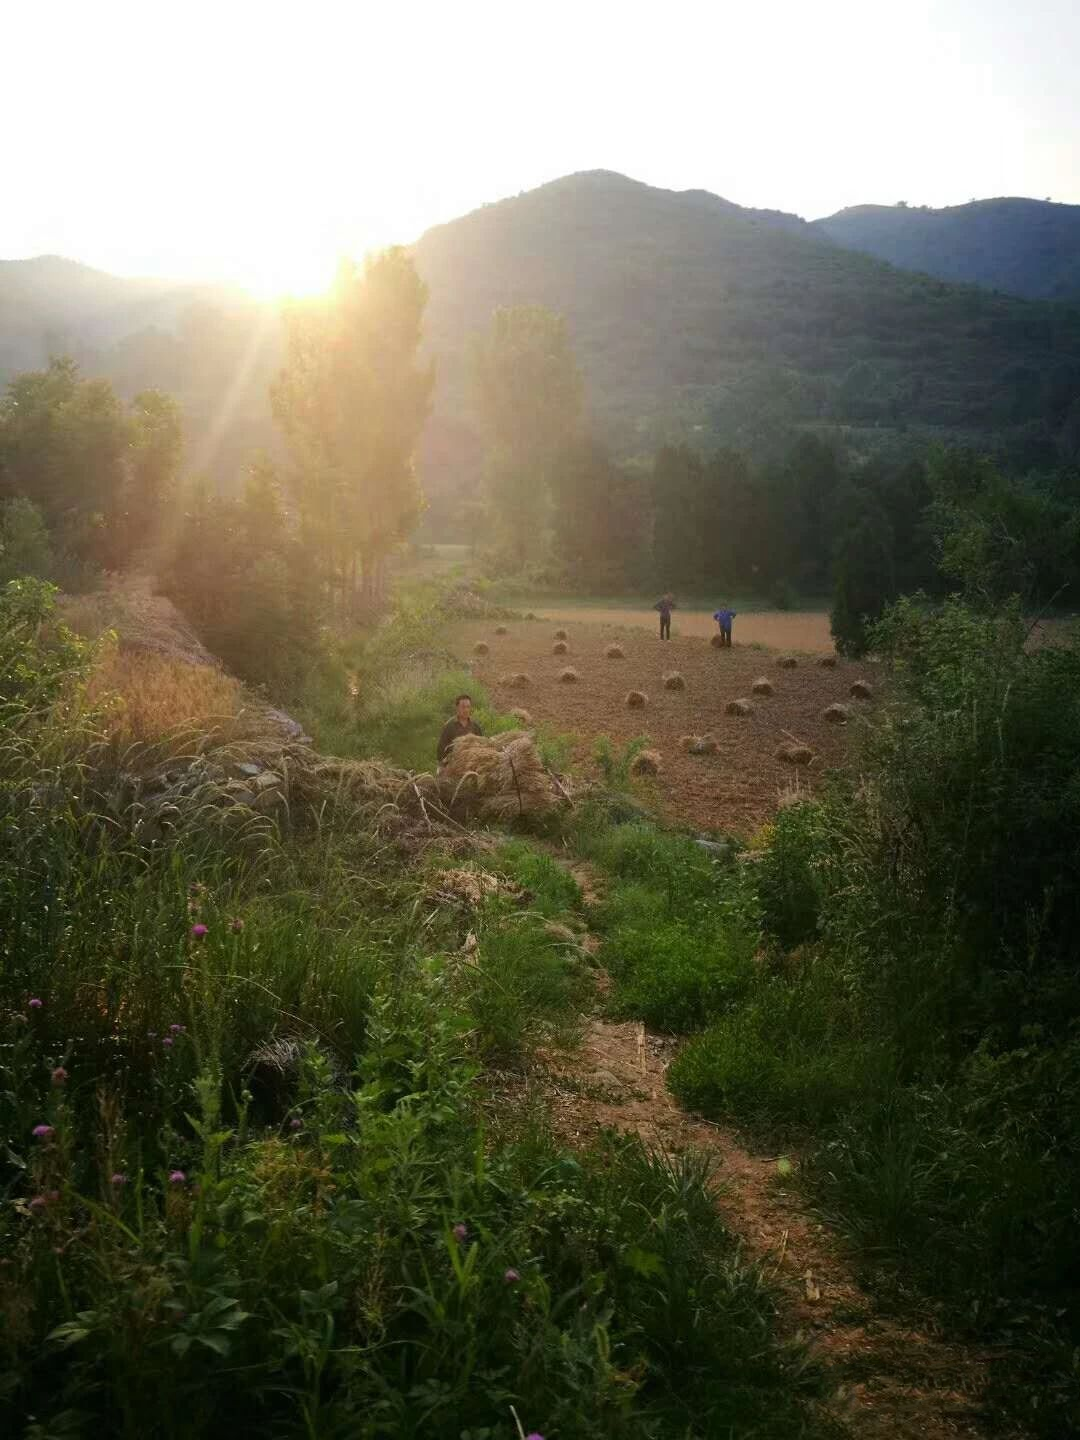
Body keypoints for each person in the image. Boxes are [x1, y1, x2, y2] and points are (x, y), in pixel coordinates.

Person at [437, 693, 484, 765]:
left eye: (468, 707)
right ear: (457, 708)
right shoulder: (449, 726)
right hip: (454, 765)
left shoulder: (475, 726)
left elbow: (482, 747)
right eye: (463, 707)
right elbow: (441, 750)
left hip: (472, 765)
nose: (466, 710)